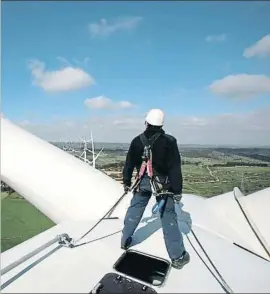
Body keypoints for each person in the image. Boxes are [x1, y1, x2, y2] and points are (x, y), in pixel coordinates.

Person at [121, 108, 190, 269]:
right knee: (168, 218)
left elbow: (129, 164)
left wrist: (126, 182)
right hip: (162, 185)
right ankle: (178, 256)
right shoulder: (169, 141)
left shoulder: (137, 141)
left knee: (134, 210)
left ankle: (125, 241)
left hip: (142, 183)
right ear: (161, 124)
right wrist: (177, 191)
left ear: (146, 122)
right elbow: (174, 168)